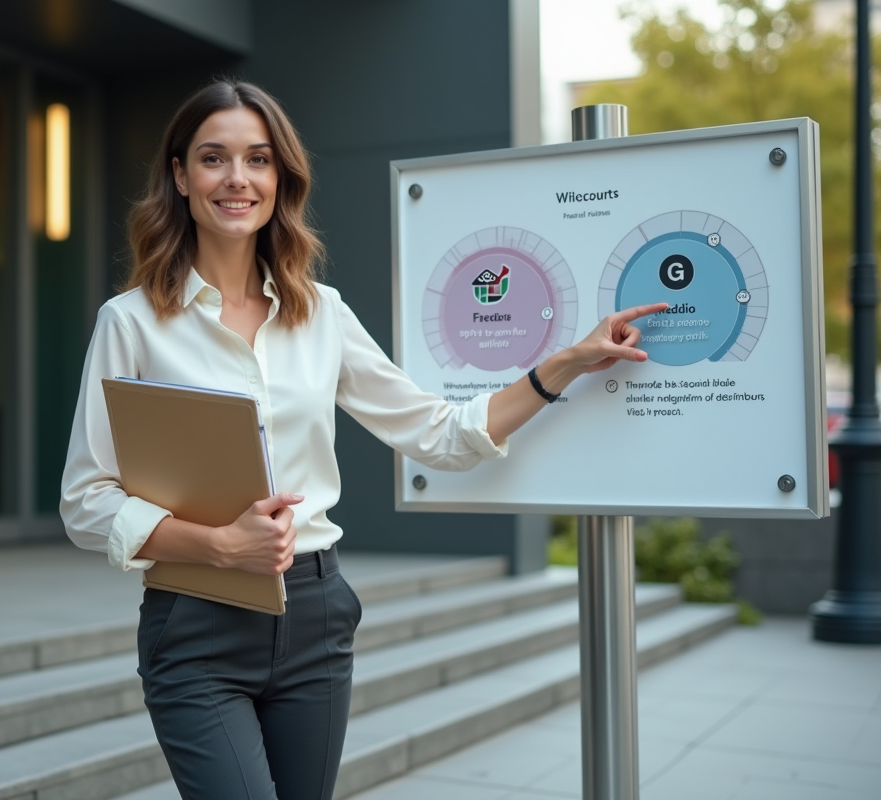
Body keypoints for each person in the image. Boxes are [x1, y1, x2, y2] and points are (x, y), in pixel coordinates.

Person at [59, 78, 665, 800]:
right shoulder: (129, 323)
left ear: (280, 178)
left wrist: (566, 361)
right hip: (196, 623)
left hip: (315, 617)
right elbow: (86, 500)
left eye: (257, 159)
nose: (236, 179)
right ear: (180, 176)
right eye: (214, 158)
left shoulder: (322, 316)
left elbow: (442, 435)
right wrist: (219, 545)